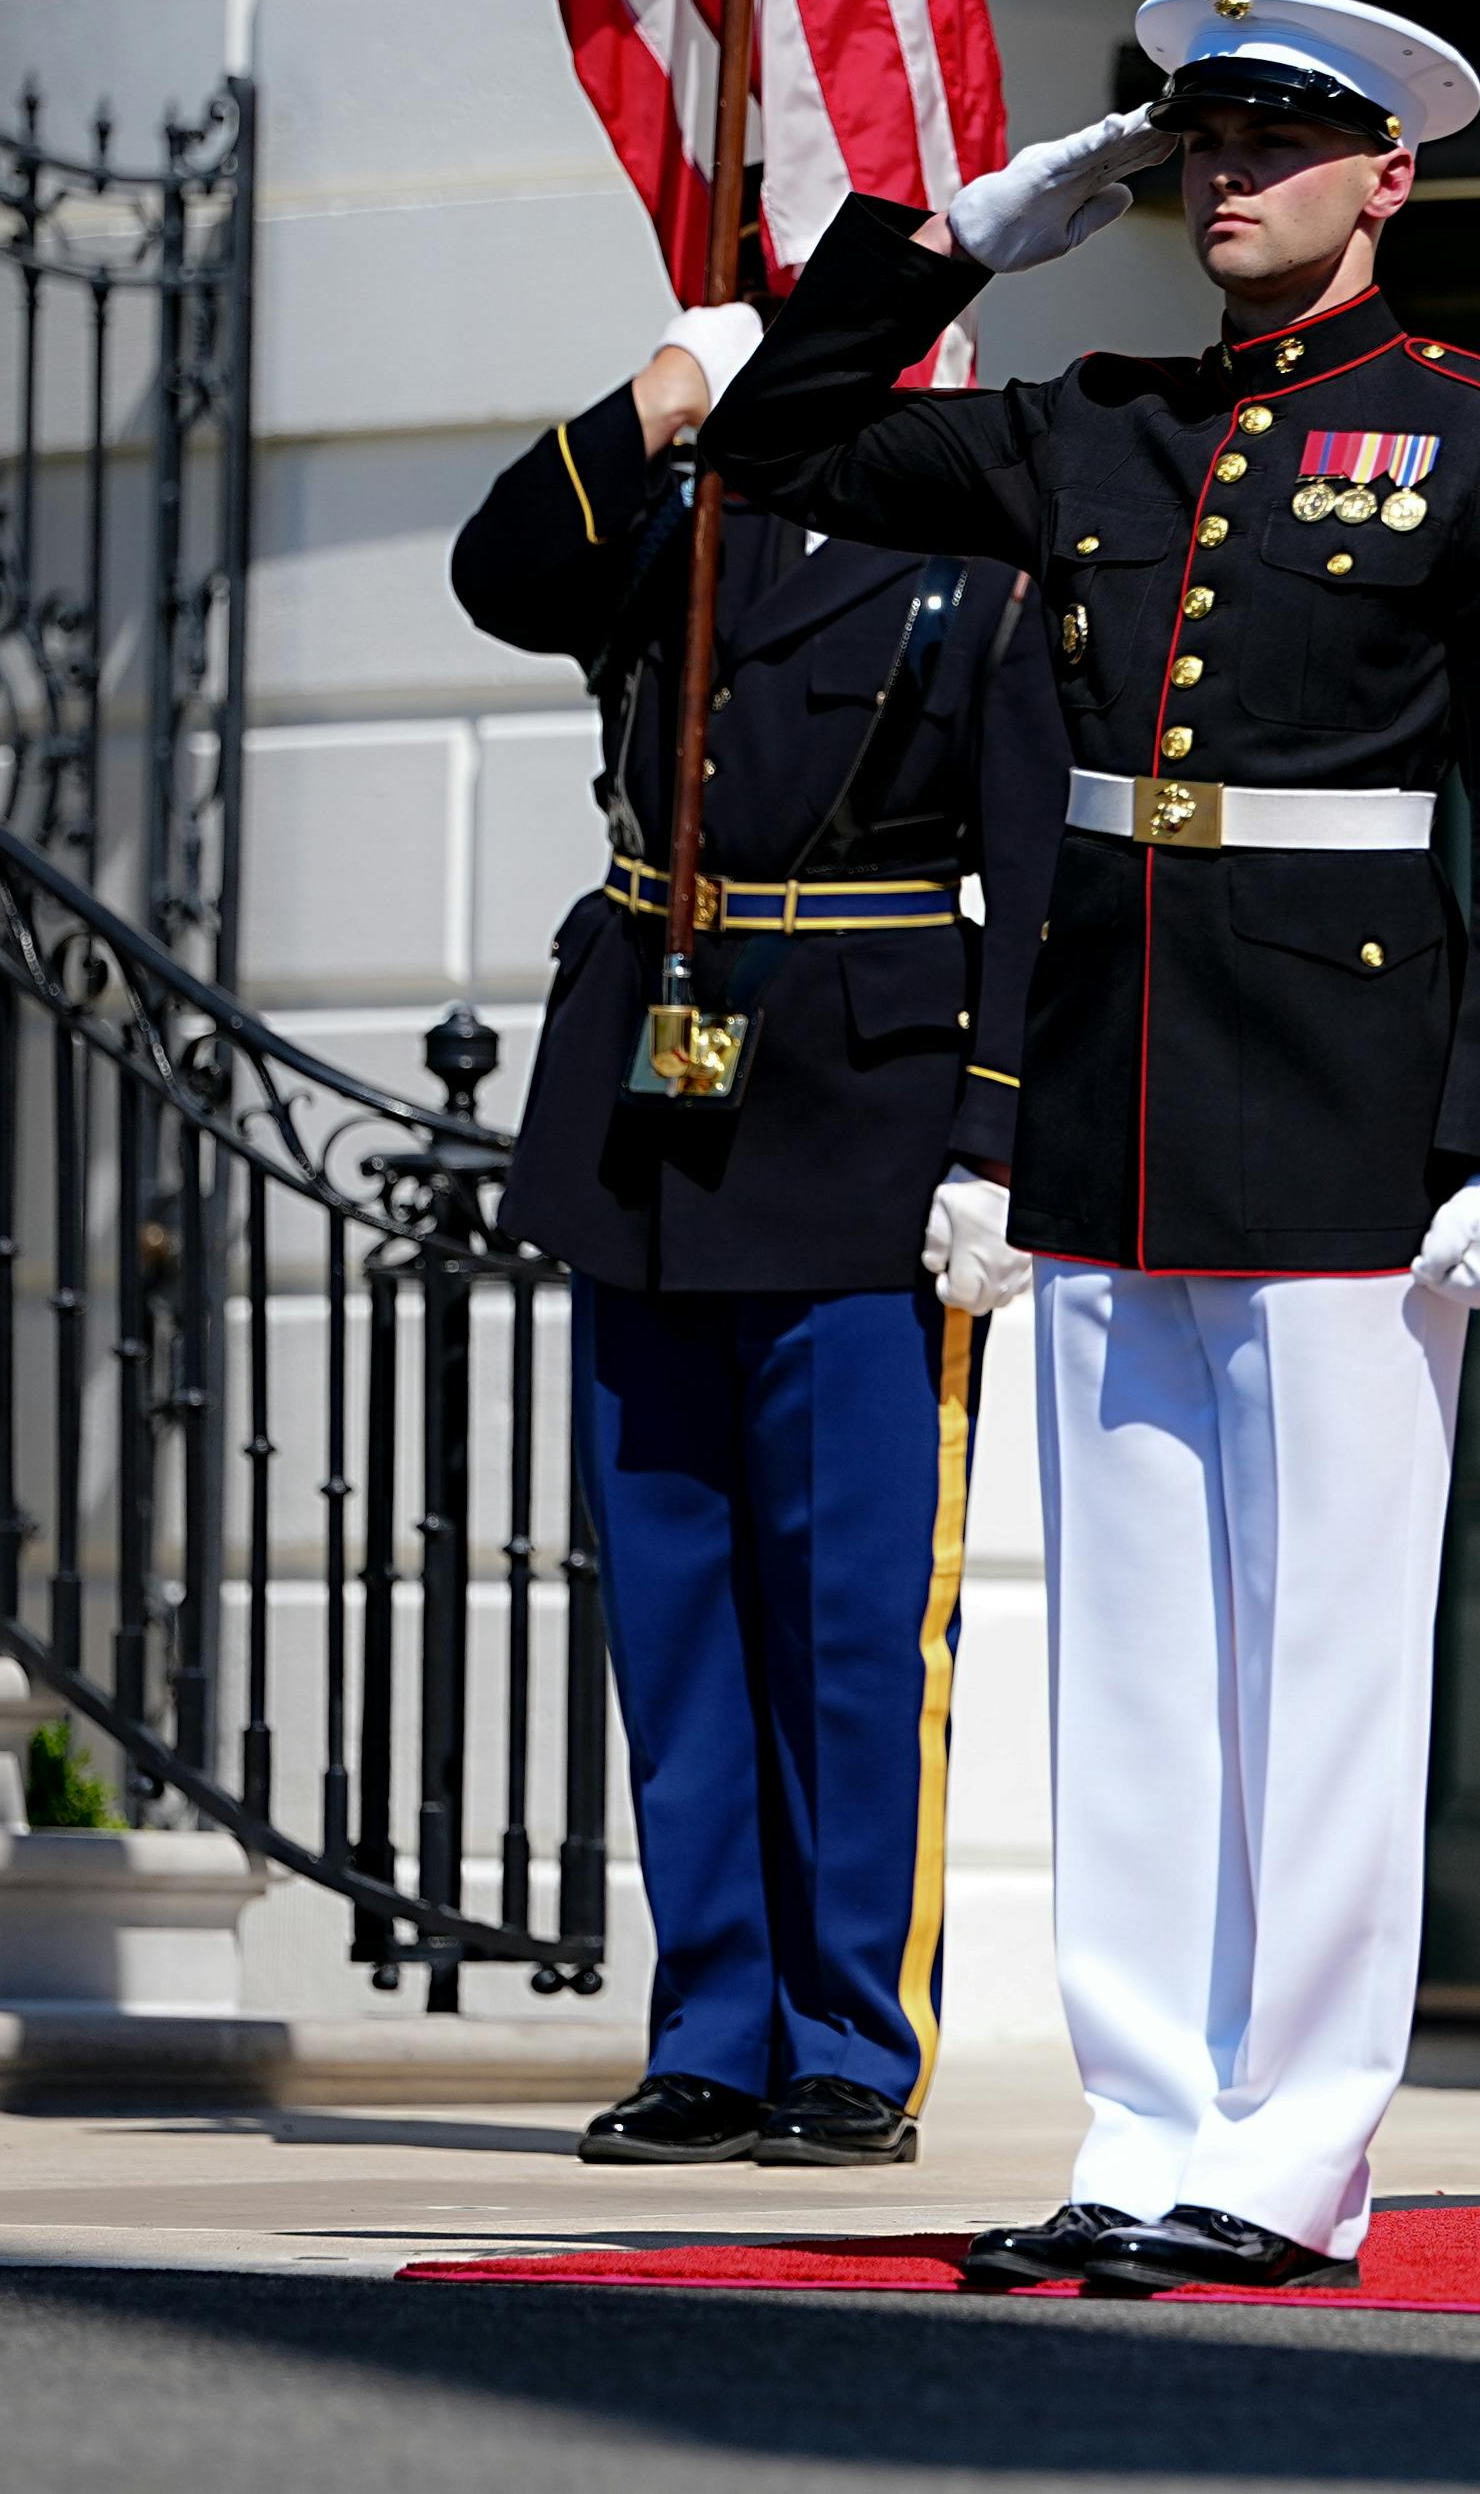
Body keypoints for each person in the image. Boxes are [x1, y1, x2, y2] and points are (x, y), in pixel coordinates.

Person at [694, 0, 1480, 2291]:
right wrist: (956, 238)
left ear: (1386, 176)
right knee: (1122, 1663)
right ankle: (1141, 2119)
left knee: (1315, 1661)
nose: (1228, 180)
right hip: (1106, 1111)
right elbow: (773, 448)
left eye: (1278, 146)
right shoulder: (1090, 428)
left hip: (1341, 1113)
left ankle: (1294, 2142)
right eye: (1197, 144)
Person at [450, 295, 1067, 2167]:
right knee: (677, 1608)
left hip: (864, 1119)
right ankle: (710, 2027)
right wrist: (647, 398)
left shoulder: (975, 564)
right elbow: (503, 567)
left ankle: (847, 2041)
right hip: (650, 1108)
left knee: (855, 1624)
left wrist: (997, 1145)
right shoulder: (667, 531)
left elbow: (1037, 881)